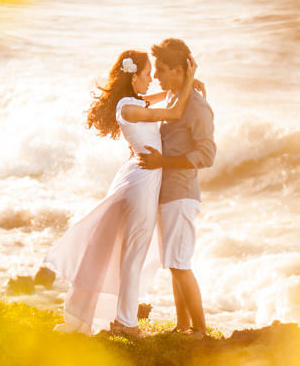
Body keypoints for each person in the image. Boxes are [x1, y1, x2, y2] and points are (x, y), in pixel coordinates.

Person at [43, 49, 198, 337]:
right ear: (134, 76)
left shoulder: (132, 102)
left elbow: (160, 100)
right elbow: (174, 112)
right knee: (133, 254)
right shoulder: (128, 108)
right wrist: (190, 78)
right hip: (142, 183)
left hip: (138, 178)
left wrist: (183, 86)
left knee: (125, 253)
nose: (151, 79)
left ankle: (119, 319)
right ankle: (127, 323)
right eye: (148, 74)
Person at [138, 38, 216, 338]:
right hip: (167, 194)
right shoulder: (175, 97)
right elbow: (148, 101)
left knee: (181, 264)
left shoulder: (196, 107)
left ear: (178, 71)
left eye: (160, 69)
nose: (155, 75)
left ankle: (200, 330)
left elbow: (207, 155)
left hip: (182, 195)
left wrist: (162, 161)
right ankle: (183, 325)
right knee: (174, 263)